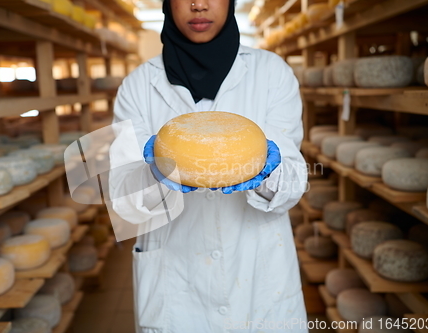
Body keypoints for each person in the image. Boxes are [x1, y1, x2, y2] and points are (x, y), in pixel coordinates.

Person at [108, 0, 309, 331]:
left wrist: (266, 172)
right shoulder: (137, 85)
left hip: (259, 283)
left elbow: (292, 183)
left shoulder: (272, 73)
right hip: (175, 288)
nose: (198, 5)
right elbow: (123, 201)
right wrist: (152, 174)